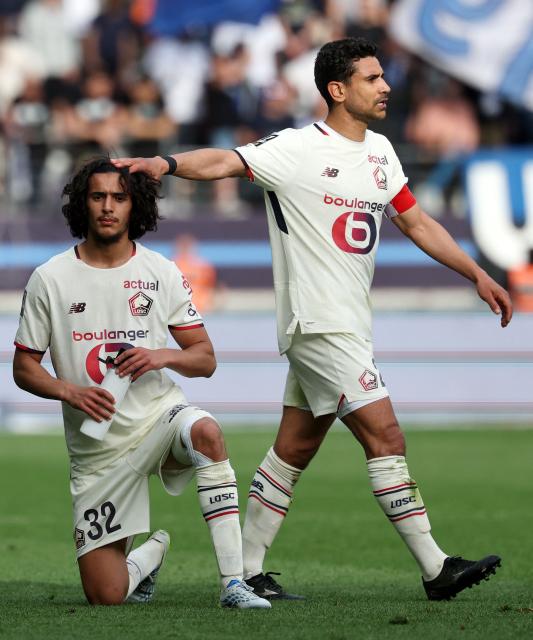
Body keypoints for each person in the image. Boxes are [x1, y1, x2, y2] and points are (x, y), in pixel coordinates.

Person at [111, 37, 513, 602]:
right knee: (386, 435)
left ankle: (246, 571)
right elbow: (227, 161)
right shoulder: (297, 149)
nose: (386, 86)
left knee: (293, 450)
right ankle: (436, 567)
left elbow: (417, 222)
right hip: (319, 323)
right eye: (372, 78)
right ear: (337, 89)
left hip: (347, 322)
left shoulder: (381, 153)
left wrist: (476, 273)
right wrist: (167, 164)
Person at [12, 157, 270, 610]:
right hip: (98, 453)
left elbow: (205, 359)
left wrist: (161, 354)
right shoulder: (49, 279)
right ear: (83, 204)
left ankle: (234, 583)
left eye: (119, 197)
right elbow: (24, 367)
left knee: (206, 431)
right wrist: (69, 391)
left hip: (158, 420)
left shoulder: (160, 272)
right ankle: (151, 556)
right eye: (98, 197)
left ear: (136, 206)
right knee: (106, 596)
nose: (108, 207)